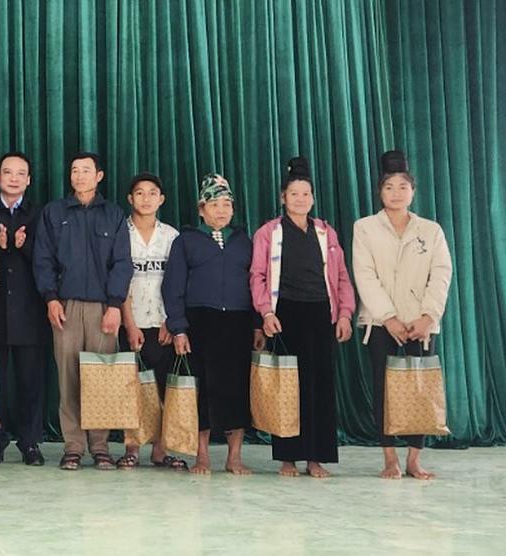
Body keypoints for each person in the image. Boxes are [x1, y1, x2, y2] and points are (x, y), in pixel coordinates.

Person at [250, 156, 355, 478]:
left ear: (313, 198)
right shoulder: (268, 232)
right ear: (283, 198)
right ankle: (288, 457)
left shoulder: (325, 232)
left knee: (319, 386)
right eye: (293, 194)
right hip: (285, 314)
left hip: (321, 313)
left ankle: (315, 457)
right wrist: (266, 312)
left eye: (305, 194)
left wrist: (345, 314)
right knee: (286, 387)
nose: (300, 199)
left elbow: (341, 277)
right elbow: (257, 276)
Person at [353, 150, 453, 481]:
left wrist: (428, 316)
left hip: (420, 324)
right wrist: (388, 317)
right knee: (384, 389)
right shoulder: (365, 228)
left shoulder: (431, 230)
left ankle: (414, 459)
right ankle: (389, 459)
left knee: (419, 389)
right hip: (380, 323)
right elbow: (364, 274)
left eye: (403, 187)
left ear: (413, 191)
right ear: (380, 192)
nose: (396, 193)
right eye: (389, 187)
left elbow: (441, 274)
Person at [33, 151, 130, 472]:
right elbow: (43, 258)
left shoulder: (114, 214)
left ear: (99, 176)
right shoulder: (55, 212)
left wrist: (115, 305)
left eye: (86, 170)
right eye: (74, 170)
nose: (79, 176)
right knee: (69, 378)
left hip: (104, 308)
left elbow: (122, 263)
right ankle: (73, 447)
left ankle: (100, 447)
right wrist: (51, 298)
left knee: (101, 378)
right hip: (66, 306)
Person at [165, 173, 258, 476]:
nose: (221, 210)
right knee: (201, 389)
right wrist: (178, 328)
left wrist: (257, 325)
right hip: (200, 322)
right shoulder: (185, 241)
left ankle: (234, 457)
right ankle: (201, 456)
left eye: (226, 204)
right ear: (201, 209)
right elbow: (173, 287)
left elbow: (257, 284)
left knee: (237, 388)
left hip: (238, 322)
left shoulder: (244, 241)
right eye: (214, 204)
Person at [0, 152, 46, 466]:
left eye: (20, 173)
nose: (14, 178)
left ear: (28, 180)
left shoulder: (40, 214)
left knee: (30, 381)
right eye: (8, 172)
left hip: (31, 310)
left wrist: (23, 246)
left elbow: (47, 260)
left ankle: (30, 442)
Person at [114, 173, 181, 470]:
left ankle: (160, 450)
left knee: (163, 387)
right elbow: (119, 283)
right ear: (130, 199)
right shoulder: (120, 234)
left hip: (162, 324)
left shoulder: (171, 236)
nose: (146, 198)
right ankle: (132, 448)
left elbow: (178, 283)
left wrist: (171, 322)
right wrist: (129, 325)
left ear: (161, 199)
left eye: (152, 193)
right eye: (139, 193)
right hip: (131, 323)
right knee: (131, 388)